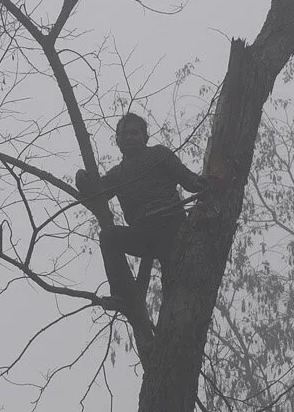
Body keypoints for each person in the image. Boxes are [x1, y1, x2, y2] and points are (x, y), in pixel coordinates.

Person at [75, 112, 211, 316]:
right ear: (118, 141)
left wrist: (199, 183)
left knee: (173, 283)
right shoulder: (117, 174)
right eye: (125, 134)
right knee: (109, 237)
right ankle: (122, 297)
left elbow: (185, 176)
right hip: (143, 234)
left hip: (170, 226)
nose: (129, 137)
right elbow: (97, 194)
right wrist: (84, 182)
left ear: (145, 137)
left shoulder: (158, 154)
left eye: (134, 133)